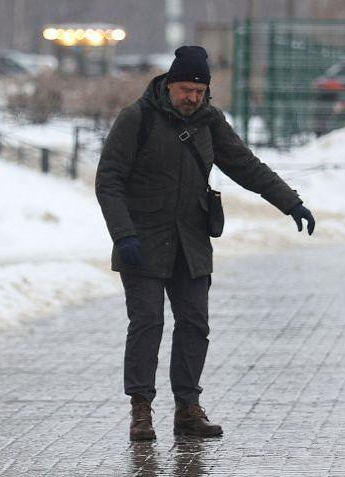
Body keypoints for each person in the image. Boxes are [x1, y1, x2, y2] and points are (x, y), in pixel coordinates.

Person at [95, 46, 316, 442]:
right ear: (169, 85)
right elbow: (108, 180)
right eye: (185, 90)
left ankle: (187, 409)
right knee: (147, 323)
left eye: (199, 92)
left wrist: (290, 202)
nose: (192, 98)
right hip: (142, 241)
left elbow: (246, 166)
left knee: (195, 325)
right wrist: (123, 234)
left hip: (191, 242)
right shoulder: (137, 118)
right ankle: (141, 410)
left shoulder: (210, 121)